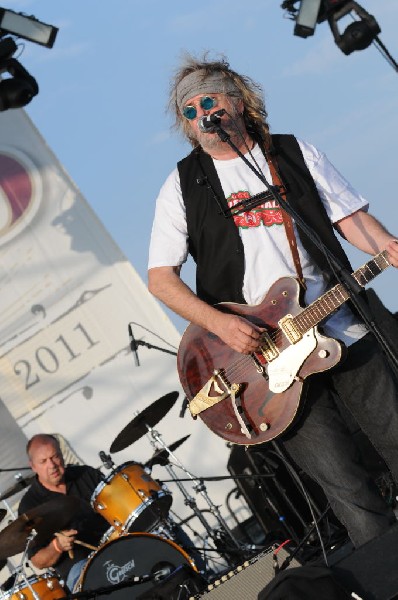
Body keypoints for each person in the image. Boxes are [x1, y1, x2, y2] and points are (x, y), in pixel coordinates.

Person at [148, 53, 398, 549]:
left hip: (340, 327)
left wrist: (386, 244)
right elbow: (161, 279)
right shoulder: (182, 185)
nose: (202, 114)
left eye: (209, 101)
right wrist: (220, 326)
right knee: (347, 487)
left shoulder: (292, 153)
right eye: (190, 110)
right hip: (262, 365)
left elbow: (352, 220)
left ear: (238, 102)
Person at [18, 434, 109, 592]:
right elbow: (38, 561)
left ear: (61, 454)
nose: (52, 465)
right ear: (33, 466)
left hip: (113, 544)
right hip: (79, 567)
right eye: (43, 461)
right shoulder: (29, 506)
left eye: (55, 457)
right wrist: (57, 546)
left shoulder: (86, 474)